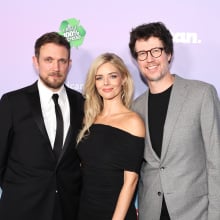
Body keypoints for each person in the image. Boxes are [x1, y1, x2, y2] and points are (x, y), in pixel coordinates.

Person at [129, 21, 220, 220]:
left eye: (156, 51)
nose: (149, 59)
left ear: (169, 54)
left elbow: (216, 161)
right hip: (151, 212)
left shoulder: (202, 94)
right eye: (142, 53)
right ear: (137, 60)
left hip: (195, 212)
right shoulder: (135, 108)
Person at [0, 32, 84, 220]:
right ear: (35, 61)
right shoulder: (12, 102)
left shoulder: (81, 103)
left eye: (62, 61)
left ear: (69, 64)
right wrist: (21, 189)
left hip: (67, 209)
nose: (56, 67)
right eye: (49, 60)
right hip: (21, 209)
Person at [76, 52, 145, 220]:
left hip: (116, 213)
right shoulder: (89, 118)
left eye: (112, 76)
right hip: (85, 210)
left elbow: (131, 182)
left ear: (123, 79)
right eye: (99, 78)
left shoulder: (133, 121)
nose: (106, 83)